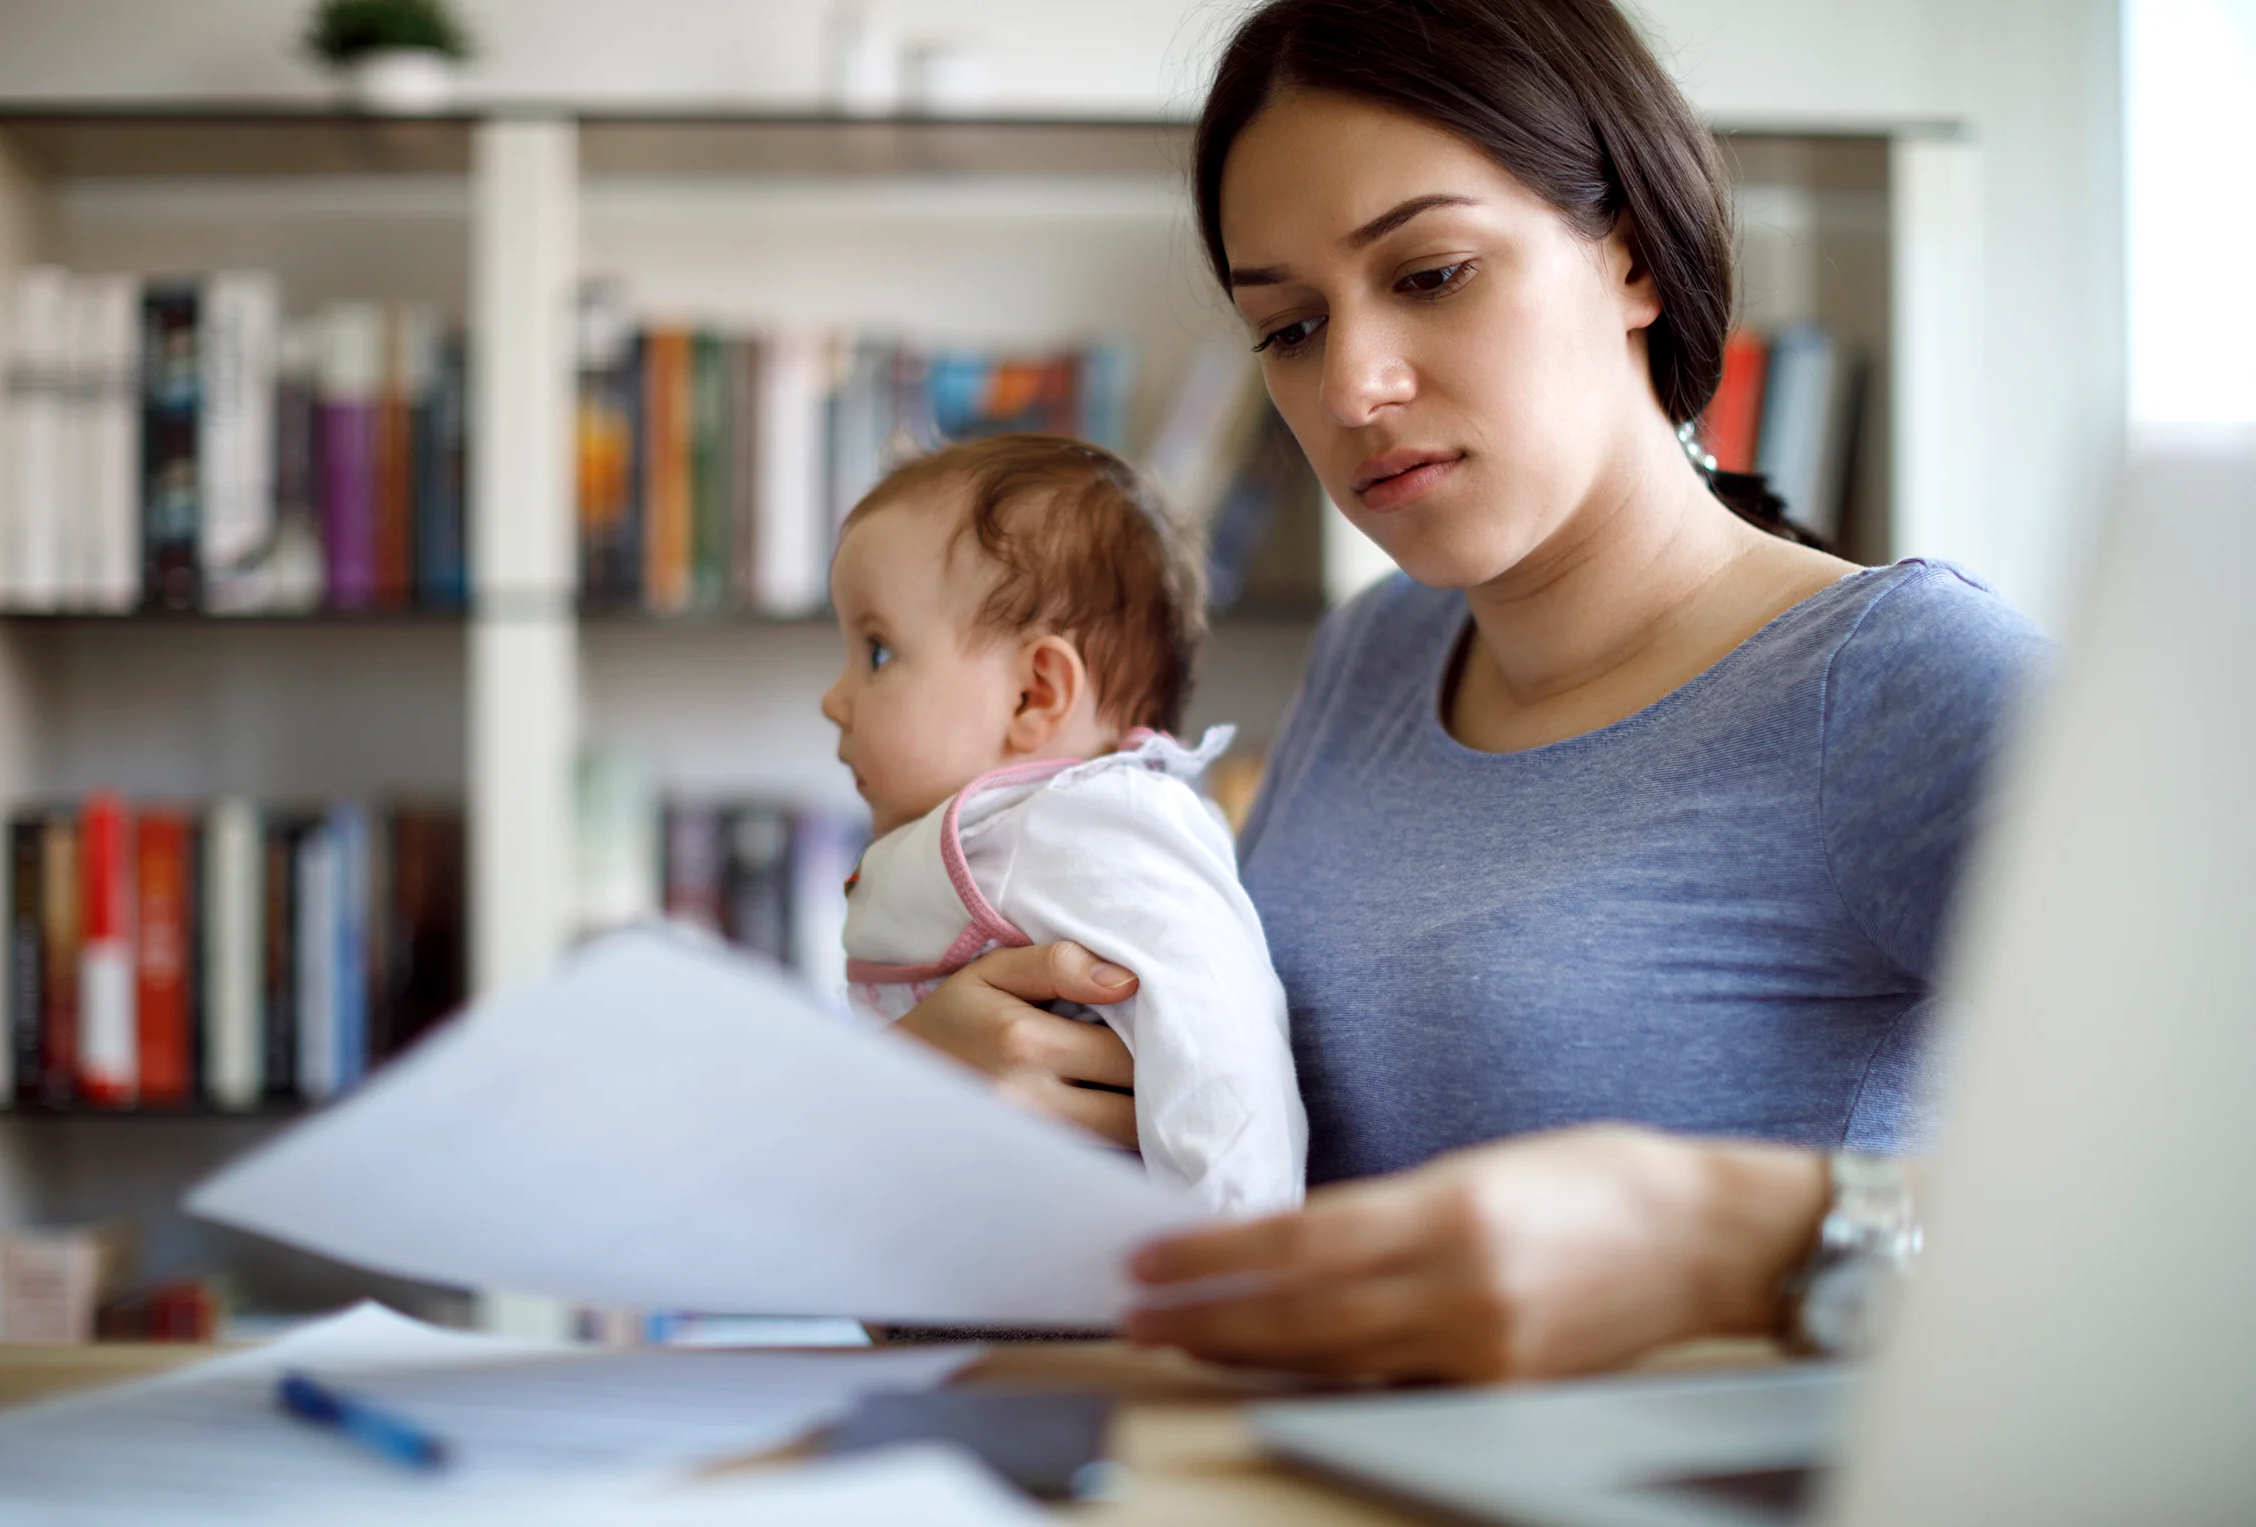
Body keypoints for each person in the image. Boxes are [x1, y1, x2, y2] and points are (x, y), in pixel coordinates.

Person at [888, 0, 2049, 1381]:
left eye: (1430, 272)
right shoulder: (1370, 657)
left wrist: (1736, 1238)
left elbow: (2198, 1202)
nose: (1354, 386)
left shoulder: (1897, 683)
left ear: (1624, 248)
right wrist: (971, 1120)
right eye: (1289, 327)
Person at [824, 432, 1308, 1216]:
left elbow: (1215, 1030)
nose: (834, 699)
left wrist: (1234, 1259)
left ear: (1034, 694)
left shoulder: (1094, 828)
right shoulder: (1007, 833)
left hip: (1125, 1303)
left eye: (876, 654)